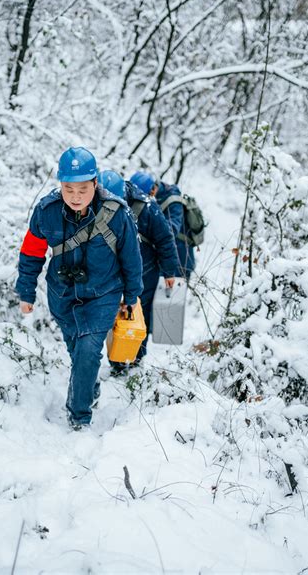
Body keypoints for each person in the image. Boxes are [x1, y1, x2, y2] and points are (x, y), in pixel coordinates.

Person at [16, 147, 143, 430]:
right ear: (60, 185)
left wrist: (132, 295)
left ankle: (79, 417)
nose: (75, 196)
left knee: (88, 350)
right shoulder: (46, 212)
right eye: (68, 189)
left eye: (82, 190)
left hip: (103, 294)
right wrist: (26, 291)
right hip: (62, 295)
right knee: (78, 352)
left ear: (95, 184)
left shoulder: (116, 214)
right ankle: (89, 388)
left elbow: (131, 257)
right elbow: (32, 252)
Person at [99, 170, 179, 365]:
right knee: (115, 312)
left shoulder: (148, 206)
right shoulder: (97, 202)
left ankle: (136, 358)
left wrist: (170, 272)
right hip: (113, 270)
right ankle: (117, 358)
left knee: (138, 313)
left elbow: (165, 239)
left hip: (146, 270)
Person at [130, 171, 195, 280]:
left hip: (180, 257)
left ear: (153, 189)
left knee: (172, 295)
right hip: (166, 255)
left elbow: (171, 231)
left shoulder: (173, 202)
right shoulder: (155, 197)